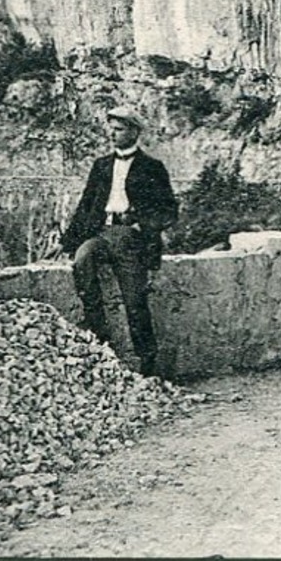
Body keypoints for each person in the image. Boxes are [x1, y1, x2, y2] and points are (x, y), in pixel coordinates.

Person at [60, 105, 178, 376]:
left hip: (132, 239)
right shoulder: (101, 165)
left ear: (134, 132)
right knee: (83, 260)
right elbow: (86, 204)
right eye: (111, 129)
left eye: (119, 129)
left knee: (135, 302)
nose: (113, 134)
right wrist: (67, 242)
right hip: (101, 233)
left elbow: (168, 210)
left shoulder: (152, 167)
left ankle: (147, 360)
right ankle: (100, 340)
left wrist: (141, 224)